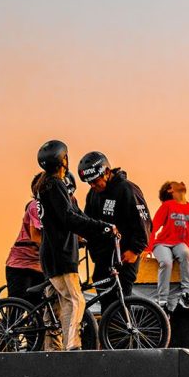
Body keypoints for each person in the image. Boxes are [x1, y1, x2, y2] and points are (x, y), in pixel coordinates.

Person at [33, 140, 117, 351]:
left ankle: (56, 348)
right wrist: (104, 228)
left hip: (53, 253)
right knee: (76, 300)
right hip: (60, 255)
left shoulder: (46, 186)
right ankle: (73, 345)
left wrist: (99, 230)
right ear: (64, 160)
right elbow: (69, 218)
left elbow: (77, 216)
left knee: (63, 304)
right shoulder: (55, 185)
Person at [78, 151, 153, 315]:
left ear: (106, 172)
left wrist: (135, 250)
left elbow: (144, 221)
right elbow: (87, 222)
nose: (92, 185)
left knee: (120, 302)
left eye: (95, 181)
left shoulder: (127, 189)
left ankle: (123, 339)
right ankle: (108, 339)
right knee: (106, 304)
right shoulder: (93, 194)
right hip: (102, 258)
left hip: (124, 257)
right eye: (89, 182)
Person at [145, 181, 189, 312]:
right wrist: (148, 248)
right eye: (176, 183)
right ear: (170, 190)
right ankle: (162, 302)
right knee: (166, 262)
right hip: (162, 244)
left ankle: (185, 295)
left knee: (186, 253)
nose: (182, 182)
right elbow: (153, 228)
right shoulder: (167, 205)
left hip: (180, 244)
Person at [4, 174, 43, 299]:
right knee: (18, 308)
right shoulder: (35, 206)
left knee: (37, 308)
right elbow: (36, 237)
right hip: (21, 265)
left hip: (40, 265)